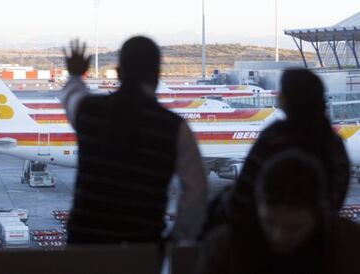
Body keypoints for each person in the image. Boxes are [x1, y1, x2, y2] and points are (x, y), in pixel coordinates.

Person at [62, 37, 207, 244]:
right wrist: (178, 238)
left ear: (118, 72)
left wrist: (75, 74)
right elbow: (197, 191)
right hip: (142, 249)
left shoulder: (89, 111)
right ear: (157, 75)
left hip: (86, 246)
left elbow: (71, 95)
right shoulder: (174, 127)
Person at [196, 150, 360, 274]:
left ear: (321, 213)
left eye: (294, 227)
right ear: (256, 208)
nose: (279, 236)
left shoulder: (347, 246)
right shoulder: (225, 248)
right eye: (269, 223)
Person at [223, 68, 350, 226]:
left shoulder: (272, 139)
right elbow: (338, 194)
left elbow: (242, 195)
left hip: (269, 231)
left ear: (284, 99)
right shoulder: (334, 143)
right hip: (322, 231)